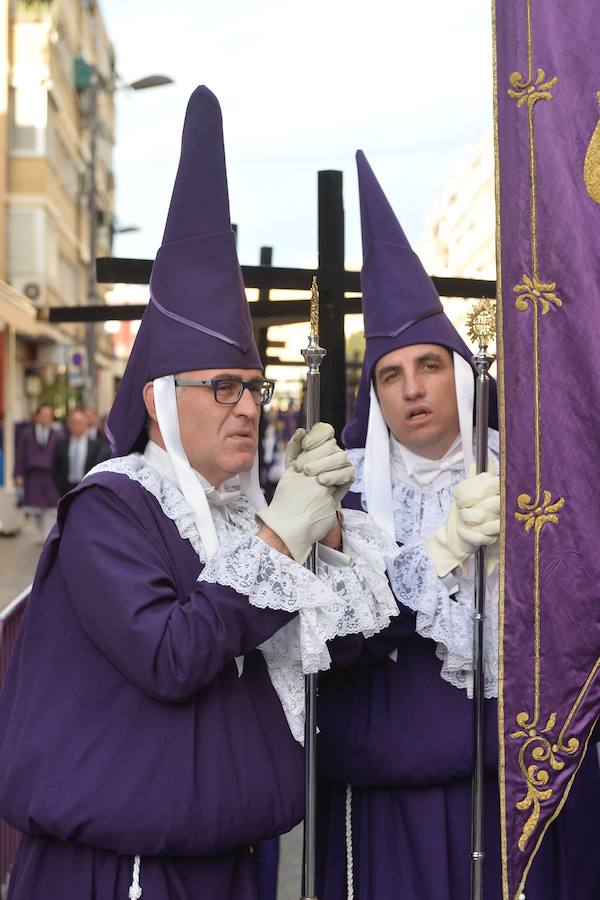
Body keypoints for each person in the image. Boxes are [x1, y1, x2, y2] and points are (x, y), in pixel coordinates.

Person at [0, 88, 399, 900]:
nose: (248, 404)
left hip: (232, 864)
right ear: (156, 399)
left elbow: (340, 653)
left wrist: (323, 540)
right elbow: (171, 654)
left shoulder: (241, 515)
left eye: (254, 386)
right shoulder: (113, 507)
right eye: (222, 387)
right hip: (125, 873)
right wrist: (280, 544)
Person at [315, 152, 600, 899]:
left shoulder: (537, 472)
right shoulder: (348, 496)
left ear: (461, 371)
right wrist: (437, 553)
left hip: (526, 795)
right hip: (390, 803)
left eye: (429, 367)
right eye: (390, 375)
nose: (412, 390)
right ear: (374, 396)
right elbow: (334, 646)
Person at [13, 403, 61, 541]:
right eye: (43, 415)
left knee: (51, 508)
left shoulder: (58, 435)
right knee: (35, 508)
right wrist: (18, 474)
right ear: (37, 416)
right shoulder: (27, 435)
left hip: (51, 476)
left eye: (48, 415)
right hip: (33, 476)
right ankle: (40, 534)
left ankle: (47, 535)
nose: (46, 418)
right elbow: (20, 455)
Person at [51, 407, 110, 497]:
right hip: (66, 489)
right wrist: (60, 487)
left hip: (87, 487)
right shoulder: (62, 444)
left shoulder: (96, 446)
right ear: (69, 424)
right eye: (74, 423)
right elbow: (56, 468)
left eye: (80, 422)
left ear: (87, 423)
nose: (77, 426)